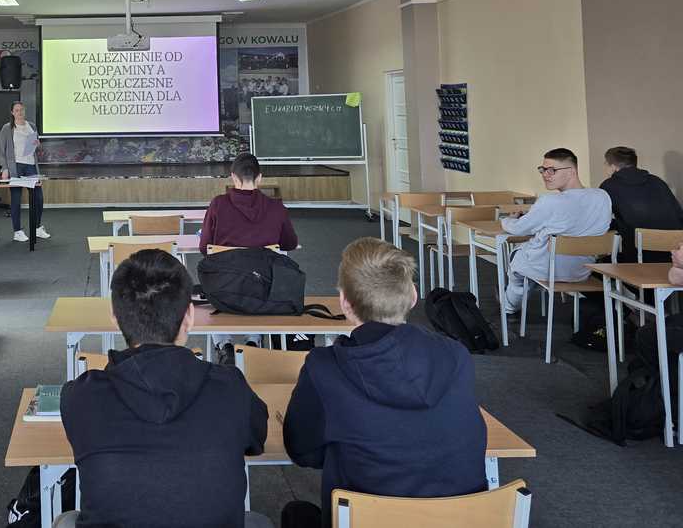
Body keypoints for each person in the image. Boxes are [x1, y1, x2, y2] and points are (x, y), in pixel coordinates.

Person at [281, 238, 486, 527]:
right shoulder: (456, 355)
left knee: (296, 513)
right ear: (413, 296)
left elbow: (302, 451)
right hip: (464, 519)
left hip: (366, 518)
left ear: (345, 303)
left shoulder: (324, 369)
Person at [58, 249, 271, 528]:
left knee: (65, 520)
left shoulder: (80, 397)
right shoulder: (231, 388)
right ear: (189, 316)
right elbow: (256, 439)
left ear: (115, 317)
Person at [501, 148, 613, 313]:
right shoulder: (602, 196)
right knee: (528, 258)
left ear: (572, 171)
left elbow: (518, 229)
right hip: (582, 271)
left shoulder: (549, 201)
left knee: (516, 259)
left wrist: (507, 220)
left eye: (552, 170)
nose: (545, 175)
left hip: (546, 269)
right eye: (543, 169)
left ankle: (509, 307)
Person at [200, 153, 298, 254]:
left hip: (225, 264)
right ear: (259, 178)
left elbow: (204, 247)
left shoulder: (218, 204)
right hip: (264, 264)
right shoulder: (276, 207)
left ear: (233, 177)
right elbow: (290, 244)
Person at [599, 146, 683, 263]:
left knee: (601, 262)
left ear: (613, 167)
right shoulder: (658, 182)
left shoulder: (609, 185)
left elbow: (602, 223)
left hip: (638, 259)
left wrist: (619, 224)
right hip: (674, 257)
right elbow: (678, 215)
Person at [0, 103, 50, 243]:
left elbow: (36, 148)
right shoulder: (7, 128)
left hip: (31, 166)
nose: (20, 112)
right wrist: (4, 168)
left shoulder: (31, 126)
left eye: (21, 110)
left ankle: (37, 227)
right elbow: (1, 151)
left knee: (38, 198)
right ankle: (17, 231)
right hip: (16, 166)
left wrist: (37, 145)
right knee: (16, 199)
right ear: (12, 112)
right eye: (17, 110)